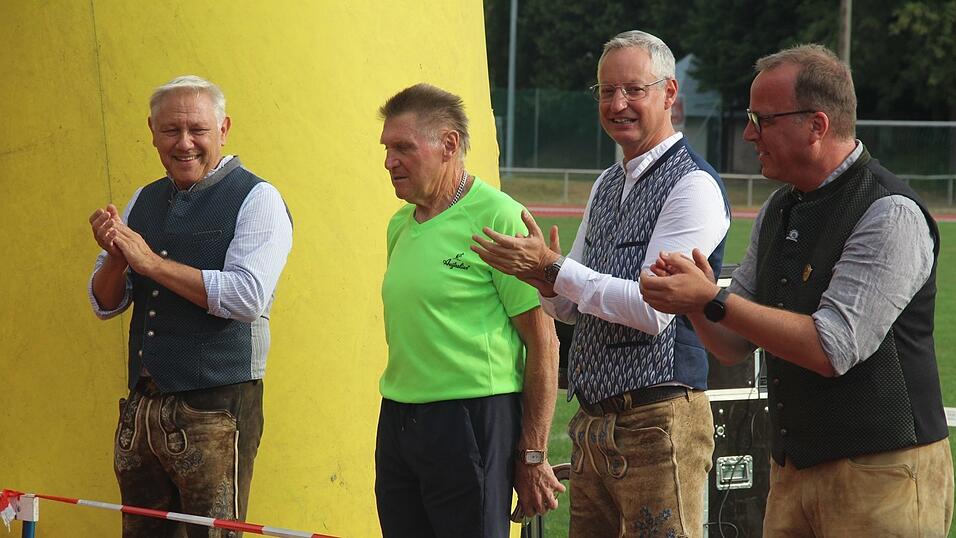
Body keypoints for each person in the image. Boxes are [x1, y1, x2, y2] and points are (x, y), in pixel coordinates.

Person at [641, 44, 953, 536]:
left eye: (761, 119)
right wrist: (693, 302)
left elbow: (832, 347)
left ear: (817, 124)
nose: (748, 134)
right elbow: (729, 345)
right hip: (792, 473)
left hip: (883, 473)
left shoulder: (889, 213)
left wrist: (711, 300)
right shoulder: (779, 210)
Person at [473, 31, 729, 537]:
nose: (618, 104)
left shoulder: (692, 186)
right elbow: (573, 308)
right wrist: (542, 281)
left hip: (659, 421)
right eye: (607, 91)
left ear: (669, 94)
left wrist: (552, 270)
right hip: (596, 424)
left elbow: (652, 309)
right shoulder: (608, 182)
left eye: (634, 90)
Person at [87, 75, 293, 537]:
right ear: (152, 131)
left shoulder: (259, 198)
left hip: (218, 407)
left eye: (197, 130)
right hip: (143, 407)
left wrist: (152, 264)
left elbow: (247, 296)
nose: (184, 143)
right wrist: (118, 260)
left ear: (223, 129)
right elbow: (105, 303)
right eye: (171, 131)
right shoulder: (143, 197)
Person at [375, 83, 564, 538]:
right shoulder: (400, 225)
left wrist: (533, 454)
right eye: (386, 149)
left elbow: (544, 343)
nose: (388, 161)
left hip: (471, 420)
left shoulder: (500, 218)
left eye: (403, 147)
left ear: (449, 145)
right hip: (399, 417)